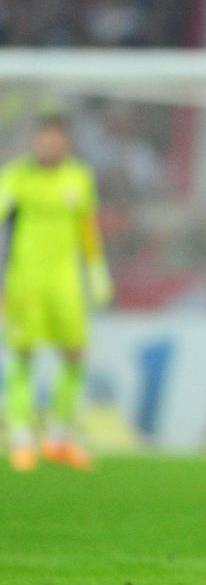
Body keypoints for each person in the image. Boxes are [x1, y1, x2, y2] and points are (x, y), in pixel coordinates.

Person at [2, 114, 113, 472]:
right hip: (25, 281)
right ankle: (20, 438)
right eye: (44, 139)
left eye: (56, 140)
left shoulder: (79, 177)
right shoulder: (15, 176)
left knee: (75, 354)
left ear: (65, 143)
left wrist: (96, 270)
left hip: (66, 282)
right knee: (23, 355)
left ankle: (58, 437)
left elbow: (87, 227)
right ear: (36, 142)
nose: (49, 146)